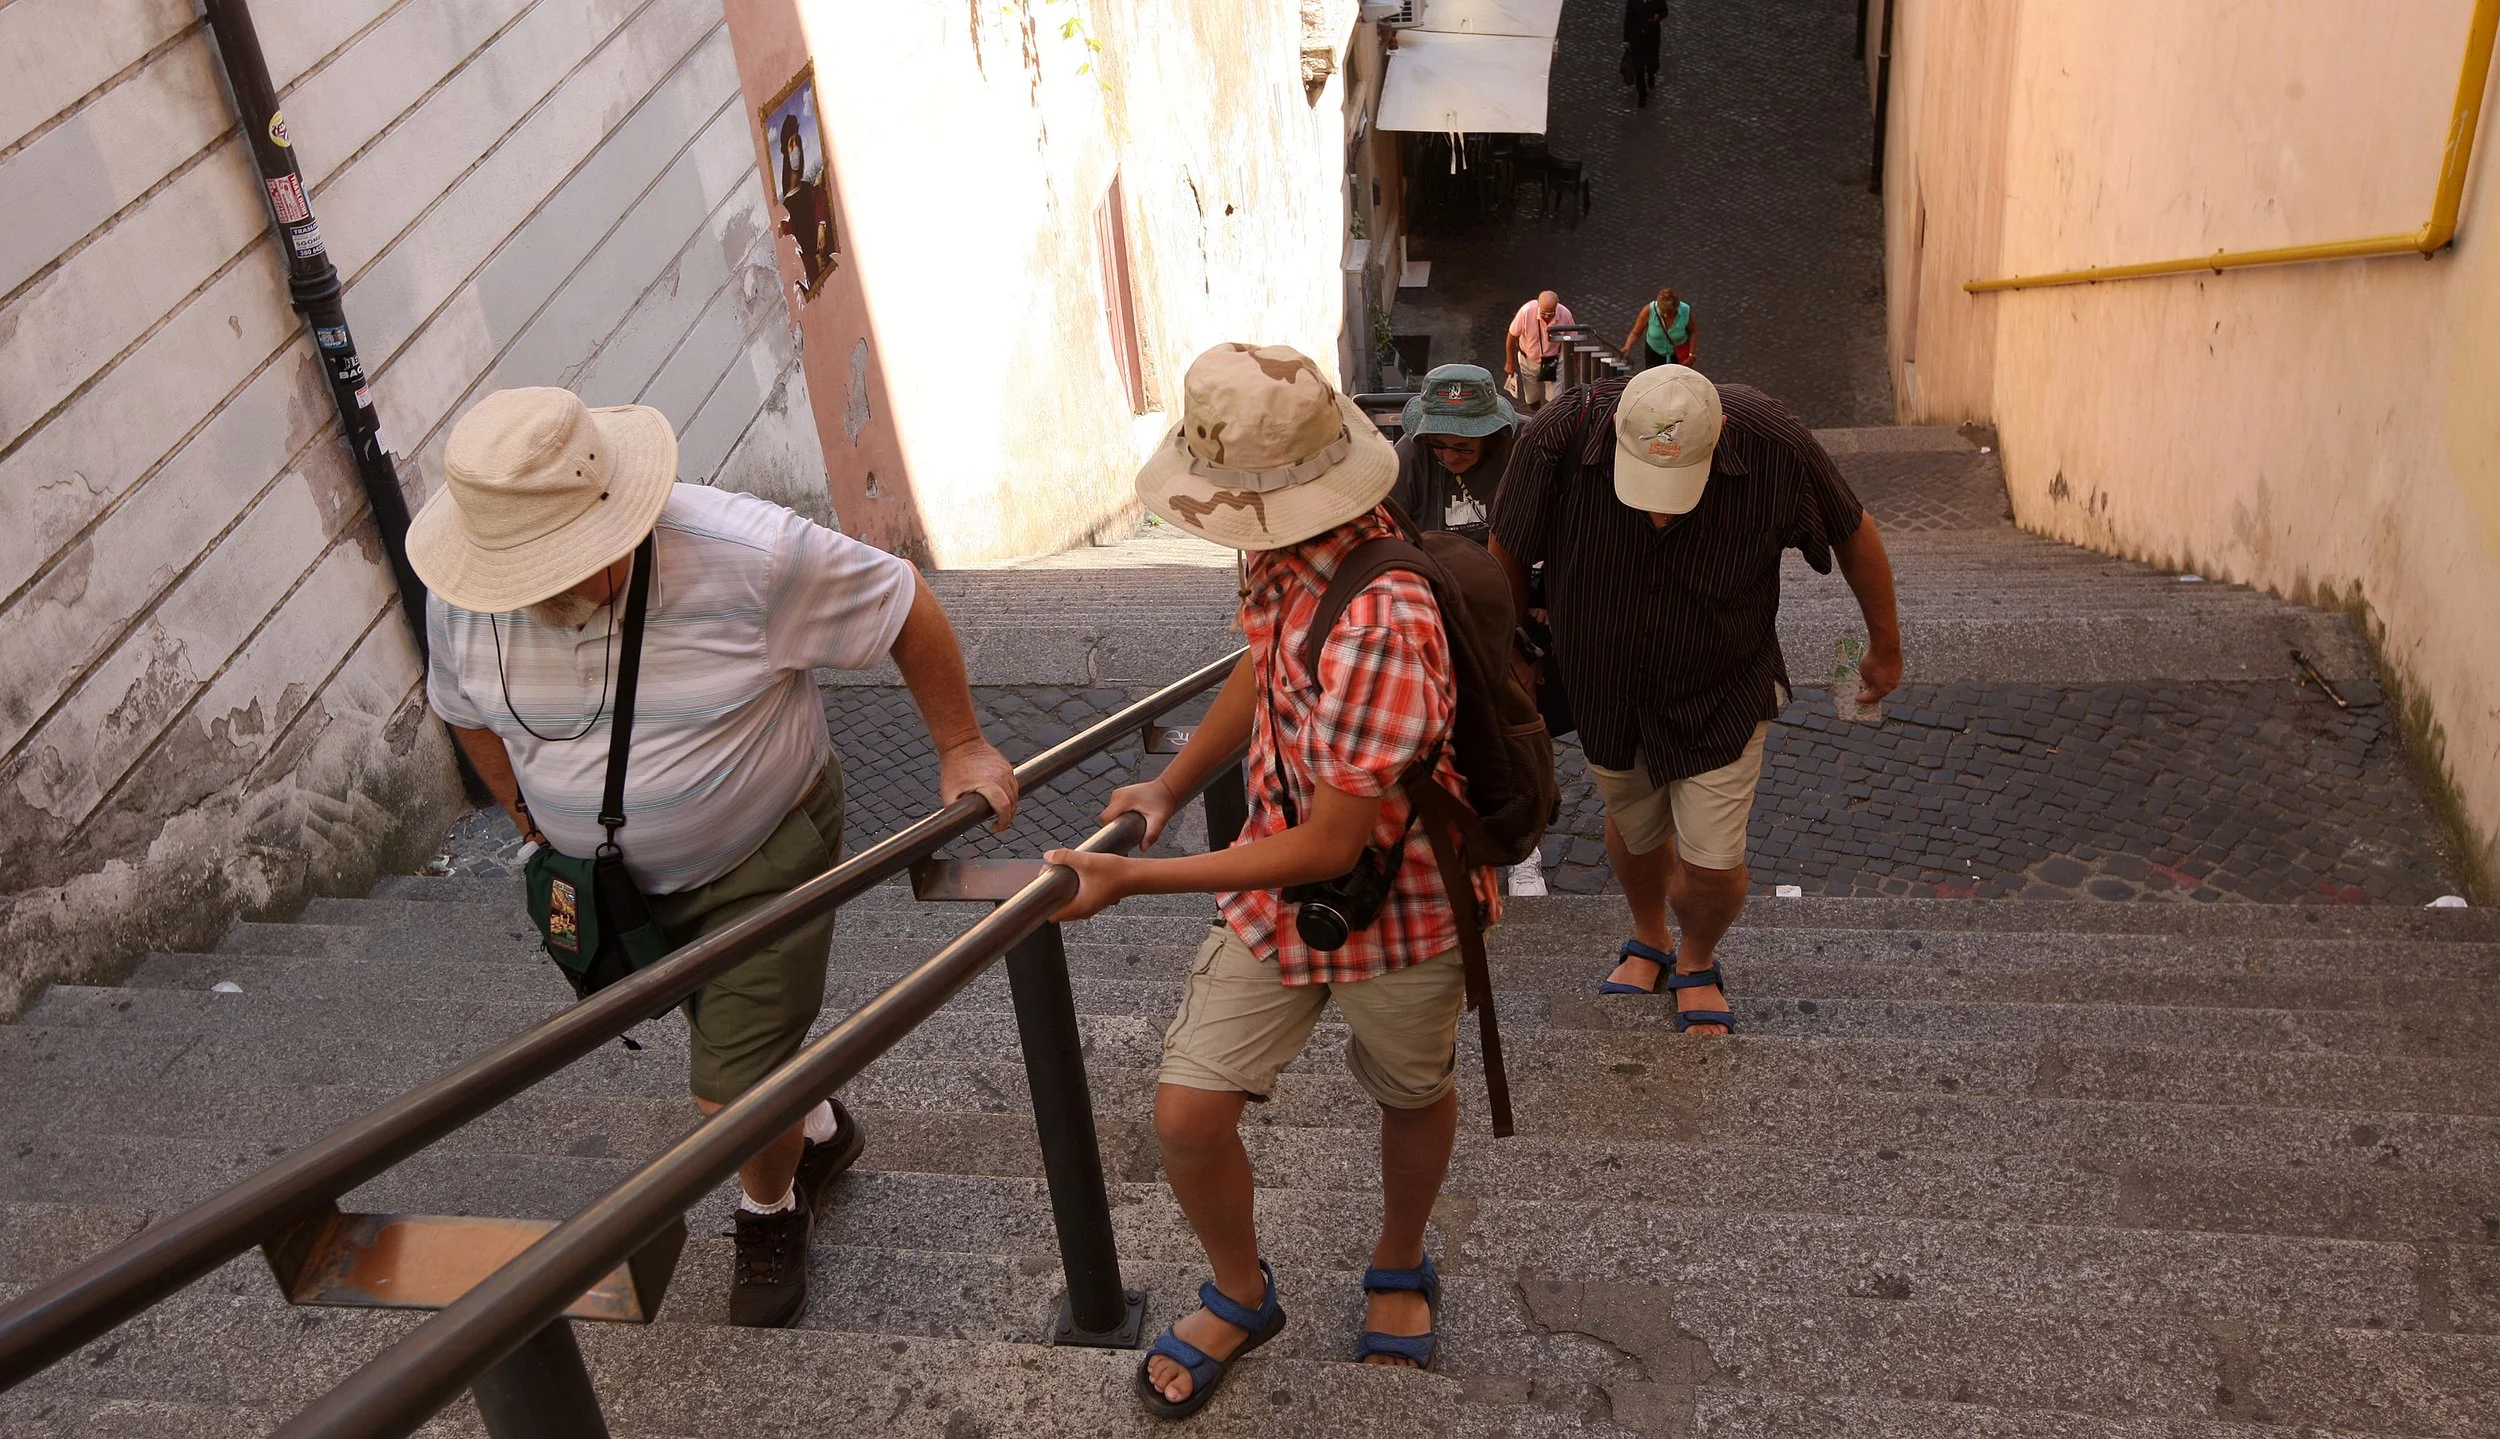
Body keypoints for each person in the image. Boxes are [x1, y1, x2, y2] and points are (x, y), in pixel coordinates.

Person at [409, 387, 1018, 1327]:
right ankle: (815, 1124)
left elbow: (903, 602)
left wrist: (962, 745)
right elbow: (461, 706)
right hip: (622, 890)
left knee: (725, 1093)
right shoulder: (465, 596)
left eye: (567, 568)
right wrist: (527, 815)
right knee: (738, 1047)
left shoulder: (750, 554)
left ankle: (768, 1202)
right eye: (527, 578)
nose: (550, 595)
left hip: (763, 850)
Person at [1046, 343, 1500, 1418]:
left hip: (1401, 902)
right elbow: (1263, 661)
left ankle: (1398, 1257)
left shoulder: (1387, 616)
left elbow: (1330, 847)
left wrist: (1132, 876)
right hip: (1279, 876)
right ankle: (1244, 1293)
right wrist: (1168, 782)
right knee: (1188, 1114)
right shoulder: (1285, 550)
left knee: (1411, 1089)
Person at [1488, 366, 1901, 1032]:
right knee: (1638, 825)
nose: (1659, 508)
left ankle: (1698, 954)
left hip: (1723, 688)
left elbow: (1853, 530)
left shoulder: (1774, 442)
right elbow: (1505, 547)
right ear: (1619, 432)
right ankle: (1650, 933)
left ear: (1721, 438)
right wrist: (1511, 652)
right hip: (1605, 690)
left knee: (1712, 865)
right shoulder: (1559, 435)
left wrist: (1884, 647)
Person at [1390, 363, 1520, 540]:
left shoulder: (1519, 446)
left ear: (1490, 437)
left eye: (1463, 447)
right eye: (1438, 444)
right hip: (1429, 563)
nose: (1449, 457)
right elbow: (1387, 530)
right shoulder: (1409, 456)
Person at [777, 114, 834, 292]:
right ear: (785, 152)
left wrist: (821, 226)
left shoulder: (806, 189)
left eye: (798, 141)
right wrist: (813, 263)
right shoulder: (786, 207)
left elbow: (819, 198)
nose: (797, 148)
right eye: (792, 142)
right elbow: (793, 253)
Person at [1503, 290, 1575, 411]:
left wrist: (1574, 364)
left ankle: (1549, 421)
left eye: (1551, 313)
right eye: (1543, 313)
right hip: (1528, 360)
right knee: (1531, 399)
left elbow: (1572, 340)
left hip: (1552, 360)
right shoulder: (1526, 312)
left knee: (1554, 401)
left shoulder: (1565, 314)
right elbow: (1512, 336)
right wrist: (1509, 362)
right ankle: (1536, 416)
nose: (1547, 316)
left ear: (1557, 305)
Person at [1623, 287, 1695, 371]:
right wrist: (1627, 347)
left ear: (1677, 307)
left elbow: (1693, 332)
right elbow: (1635, 333)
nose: (1665, 315)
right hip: (1654, 354)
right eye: (1662, 312)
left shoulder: (1685, 310)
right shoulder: (1648, 310)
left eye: (1669, 313)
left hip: (1677, 355)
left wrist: (1691, 354)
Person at [1623, 0, 1667, 107]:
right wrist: (1626, 39)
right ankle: (1642, 94)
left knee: (1653, 63)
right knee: (1639, 68)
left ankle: (1651, 74)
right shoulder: (1633, 2)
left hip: (1652, 38)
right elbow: (1628, 19)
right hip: (1636, 39)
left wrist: (1658, 17)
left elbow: (1665, 12)